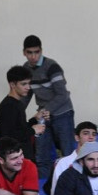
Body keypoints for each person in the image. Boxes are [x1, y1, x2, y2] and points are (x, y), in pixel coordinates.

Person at [21, 35, 75, 179]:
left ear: (41, 51)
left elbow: (63, 95)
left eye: (36, 52)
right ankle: (42, 189)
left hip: (62, 113)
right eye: (29, 52)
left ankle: (69, 186)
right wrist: (17, 112)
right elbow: (26, 94)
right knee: (41, 156)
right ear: (24, 52)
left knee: (68, 154)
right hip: (43, 116)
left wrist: (45, 110)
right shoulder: (25, 69)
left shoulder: (52, 66)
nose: (33, 56)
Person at [0, 65, 46, 162]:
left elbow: (19, 128)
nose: (28, 87)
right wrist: (33, 130)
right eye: (24, 84)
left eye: (29, 83)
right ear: (12, 85)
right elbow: (9, 136)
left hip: (22, 158)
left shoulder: (17, 104)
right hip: (15, 160)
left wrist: (34, 119)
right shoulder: (8, 106)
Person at [49, 121, 98, 195]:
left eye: (94, 134)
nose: (91, 137)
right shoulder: (64, 162)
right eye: (86, 133)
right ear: (77, 137)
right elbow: (56, 192)